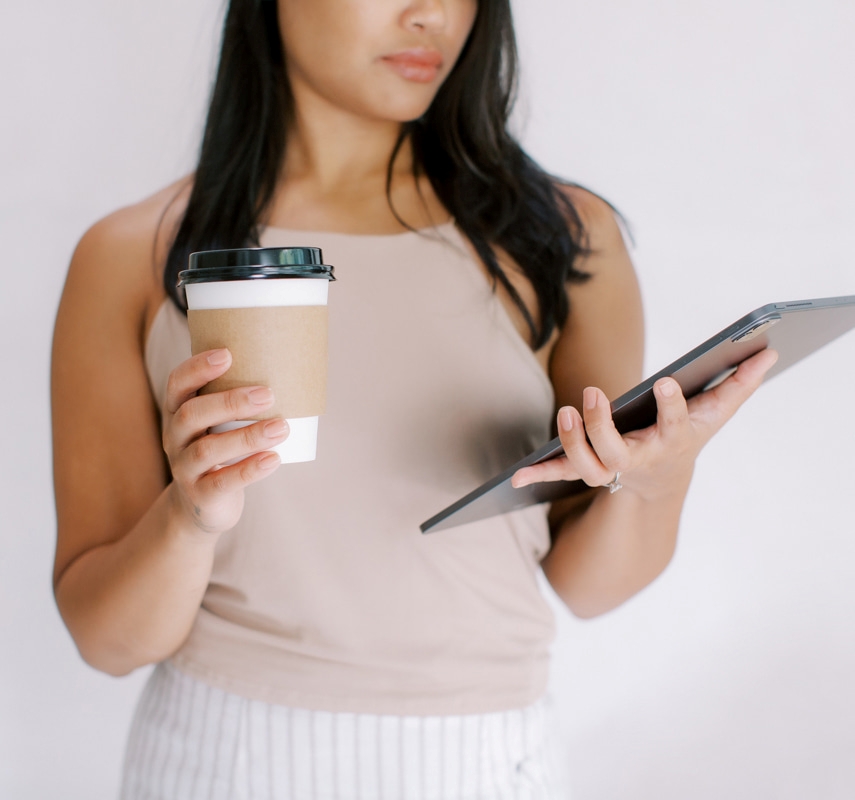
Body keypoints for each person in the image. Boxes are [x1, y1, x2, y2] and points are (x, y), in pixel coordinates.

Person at [50, 0, 777, 797]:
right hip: (224, 757)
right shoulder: (132, 256)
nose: (432, 14)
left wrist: (658, 480)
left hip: (484, 761)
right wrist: (190, 517)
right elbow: (107, 642)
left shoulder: (561, 238)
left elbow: (588, 587)